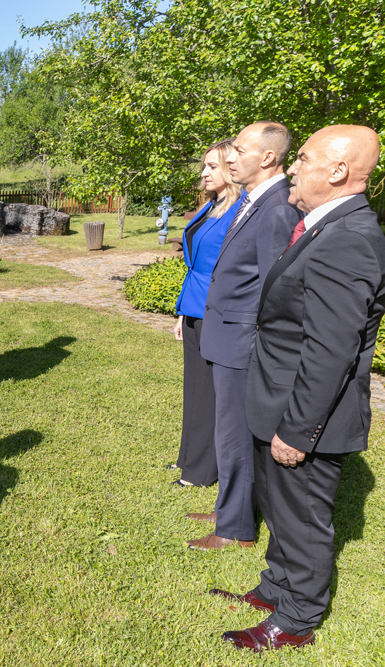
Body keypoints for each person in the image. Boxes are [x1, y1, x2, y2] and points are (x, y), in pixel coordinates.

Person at [215, 125, 385, 652]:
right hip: (278, 400)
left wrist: (298, 429)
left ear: (337, 171)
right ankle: (276, 587)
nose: (293, 166)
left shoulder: (349, 237)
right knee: (280, 508)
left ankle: (296, 620)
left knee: (303, 518)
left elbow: (331, 349)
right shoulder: (323, 225)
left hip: (305, 413)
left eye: (304, 158)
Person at [187, 122, 298, 551]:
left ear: (267, 157)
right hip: (226, 335)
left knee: (235, 435)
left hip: (241, 342)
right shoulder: (256, 200)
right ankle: (229, 508)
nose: (230, 158)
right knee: (228, 433)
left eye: (238, 150)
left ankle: (235, 528)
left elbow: (277, 289)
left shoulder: (277, 207)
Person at [171, 140, 244, 488]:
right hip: (195, 306)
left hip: (217, 309)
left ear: (232, 167)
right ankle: (189, 456)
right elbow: (197, 263)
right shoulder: (211, 205)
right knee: (195, 388)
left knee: (208, 392)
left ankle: (201, 471)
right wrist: (182, 312)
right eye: (204, 166)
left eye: (212, 166)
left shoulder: (241, 210)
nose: (204, 172)